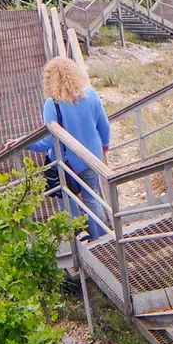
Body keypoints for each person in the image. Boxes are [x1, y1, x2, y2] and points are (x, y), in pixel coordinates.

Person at [29, 57, 112, 238]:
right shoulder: (91, 95)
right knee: (92, 198)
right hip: (91, 157)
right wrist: (104, 145)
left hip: (66, 163)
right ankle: (101, 240)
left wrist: (27, 143)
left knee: (68, 202)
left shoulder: (53, 104)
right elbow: (104, 125)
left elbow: (49, 140)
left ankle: (80, 242)